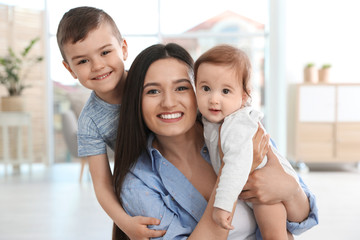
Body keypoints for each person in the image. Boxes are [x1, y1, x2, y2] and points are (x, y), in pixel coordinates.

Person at [113, 43, 318, 239]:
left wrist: (290, 190)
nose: (168, 102)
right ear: (136, 101)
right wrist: (227, 176)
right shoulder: (138, 182)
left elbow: (301, 219)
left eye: (181, 88)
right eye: (153, 91)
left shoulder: (237, 129)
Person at [56, 6, 166, 240]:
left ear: (123, 49)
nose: (97, 66)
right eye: (83, 60)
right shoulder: (90, 122)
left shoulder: (151, 79)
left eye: (105, 52)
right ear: (70, 69)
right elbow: (103, 186)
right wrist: (126, 224)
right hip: (147, 184)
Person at [194, 44, 300, 239]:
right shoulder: (209, 119)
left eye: (225, 91)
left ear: (243, 97)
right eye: (206, 88)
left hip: (268, 193)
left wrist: (223, 206)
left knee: (274, 235)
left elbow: (235, 165)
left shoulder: (236, 125)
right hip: (254, 190)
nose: (214, 99)